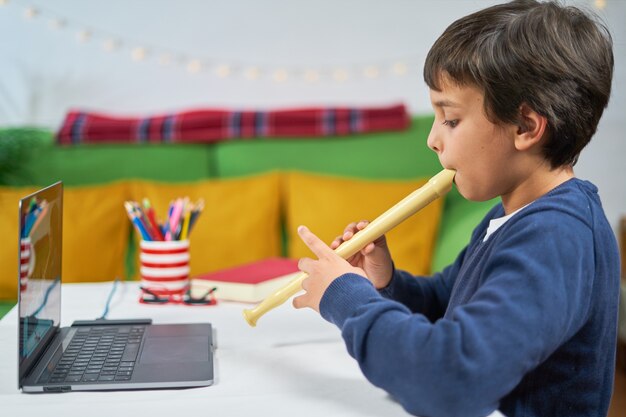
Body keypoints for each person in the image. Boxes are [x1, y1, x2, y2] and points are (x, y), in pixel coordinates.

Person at [292, 1, 619, 416]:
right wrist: (385, 281)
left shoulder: (557, 238)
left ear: (525, 128)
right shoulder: (512, 215)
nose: (432, 139)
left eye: (450, 119)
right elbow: (449, 301)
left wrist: (345, 298)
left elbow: (450, 381)